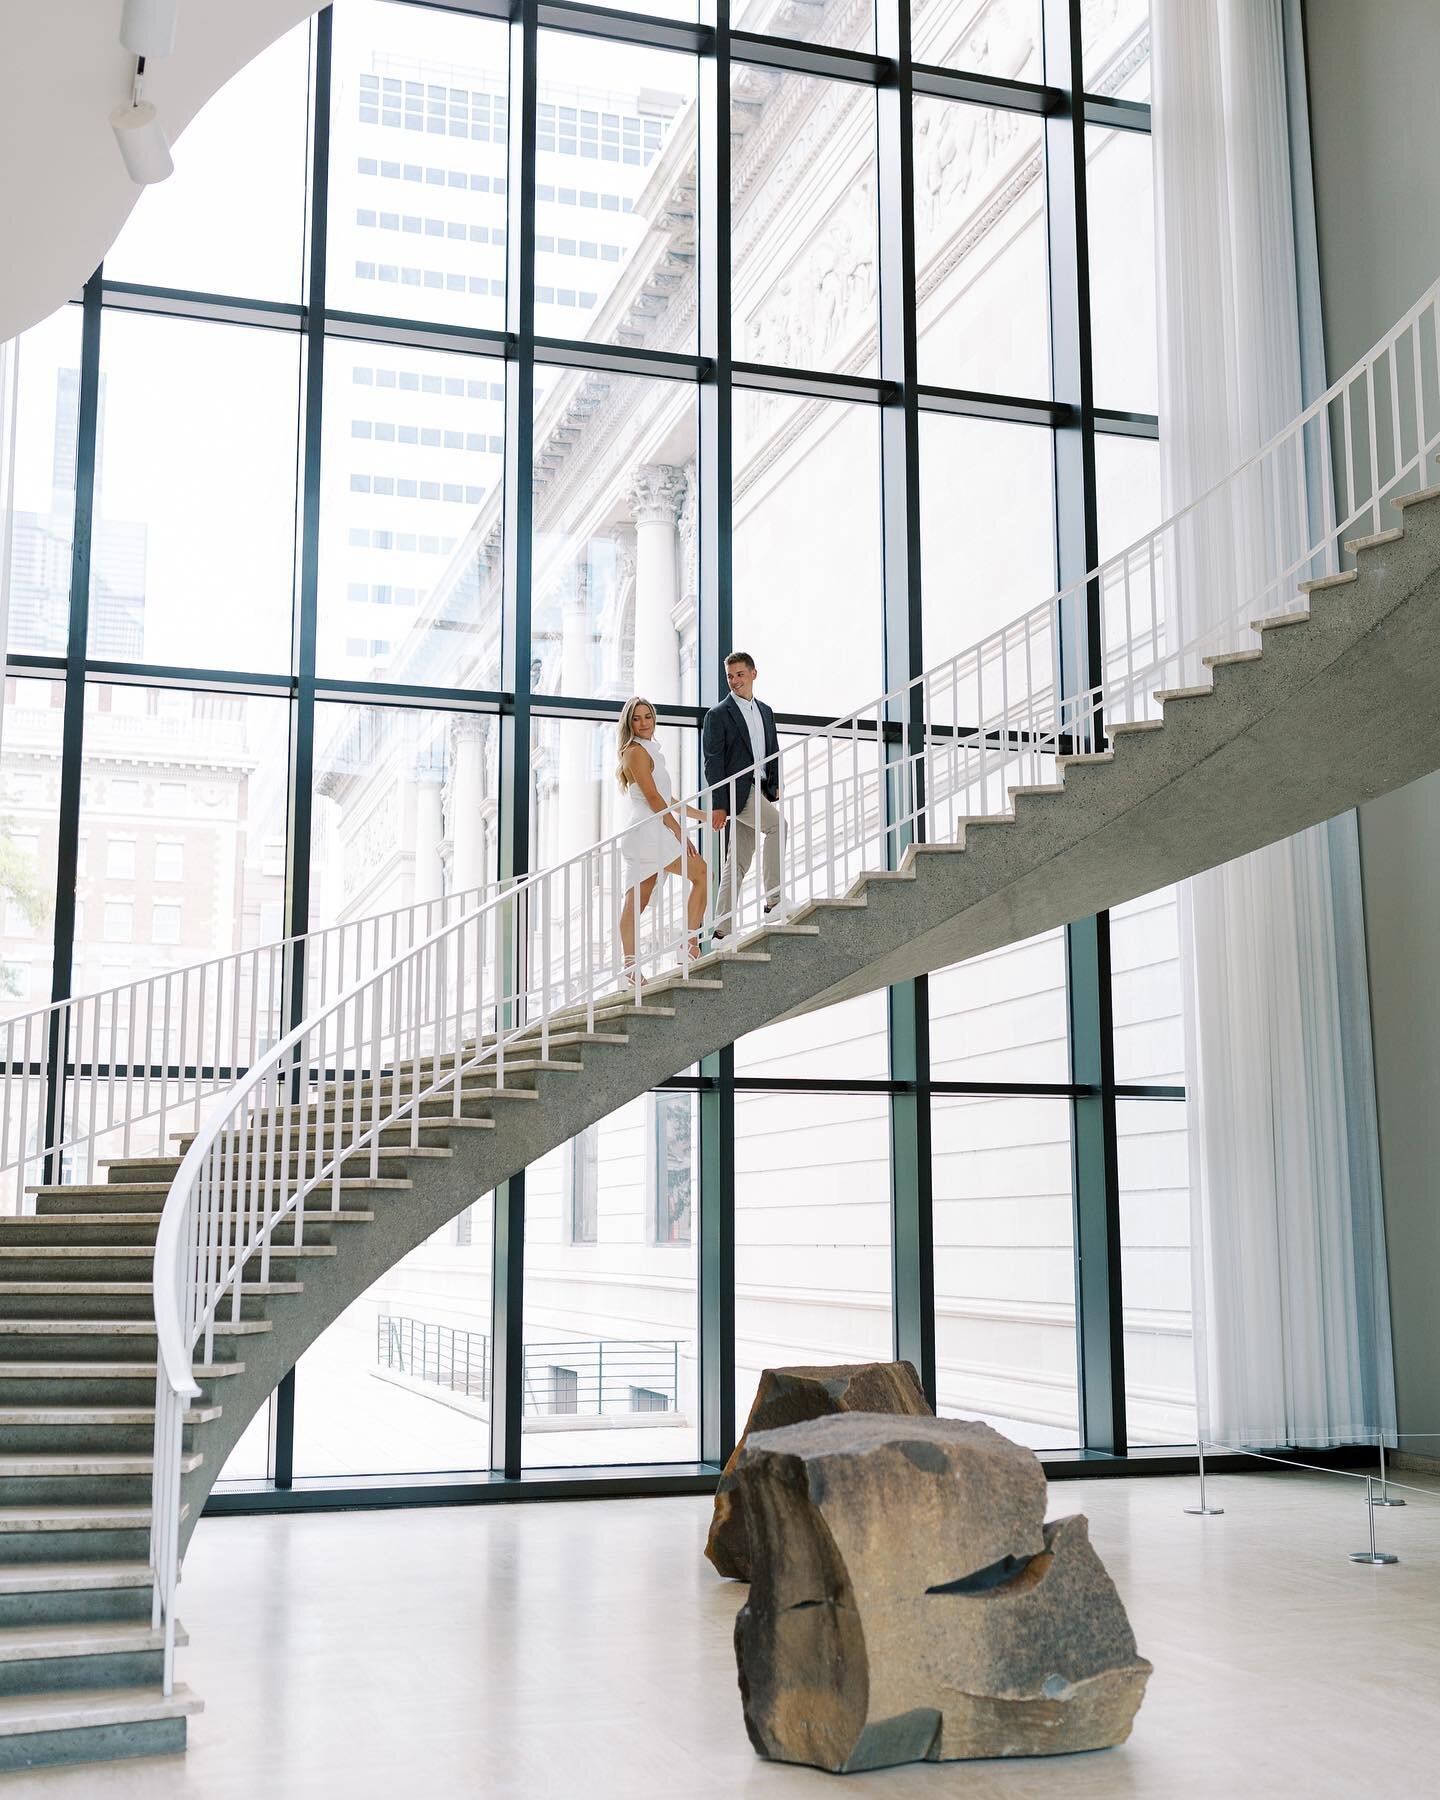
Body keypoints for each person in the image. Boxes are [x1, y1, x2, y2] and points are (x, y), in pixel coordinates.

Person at [616, 696, 709, 975]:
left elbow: (668, 798)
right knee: (700, 873)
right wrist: (678, 830)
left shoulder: (648, 750)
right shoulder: (634, 751)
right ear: (629, 723)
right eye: (637, 718)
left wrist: (703, 816)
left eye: (647, 716)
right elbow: (653, 798)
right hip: (648, 830)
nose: (643, 723)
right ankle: (687, 944)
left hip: (652, 827)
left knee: (639, 898)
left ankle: (633, 967)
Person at [702, 650, 783, 938]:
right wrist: (719, 804)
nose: (735, 681)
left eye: (739, 674)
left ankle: (721, 931)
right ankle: (774, 901)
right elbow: (713, 763)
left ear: (753, 674)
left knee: (737, 861)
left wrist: (774, 786)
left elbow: (772, 751)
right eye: (730, 676)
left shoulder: (765, 711)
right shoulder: (718, 715)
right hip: (739, 790)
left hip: (759, 788)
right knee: (777, 826)